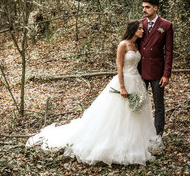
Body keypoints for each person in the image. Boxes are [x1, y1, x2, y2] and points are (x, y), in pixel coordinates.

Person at [26, 20, 162, 165]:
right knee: (118, 114)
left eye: (142, 29)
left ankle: (136, 142)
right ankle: (115, 143)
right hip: (125, 80)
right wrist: (122, 87)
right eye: (140, 29)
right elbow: (119, 66)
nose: (142, 31)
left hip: (136, 81)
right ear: (133, 29)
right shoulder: (123, 45)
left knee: (136, 113)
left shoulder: (137, 45)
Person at [139, 0, 173, 136]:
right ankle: (140, 133)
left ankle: (157, 134)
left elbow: (169, 52)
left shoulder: (166, 25)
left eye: (147, 7)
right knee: (139, 103)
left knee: (159, 105)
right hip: (140, 70)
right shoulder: (139, 23)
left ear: (155, 8)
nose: (144, 10)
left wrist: (166, 74)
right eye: (143, 7)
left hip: (157, 71)